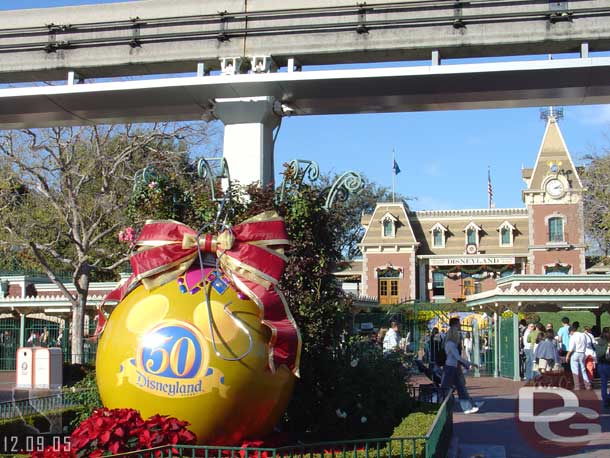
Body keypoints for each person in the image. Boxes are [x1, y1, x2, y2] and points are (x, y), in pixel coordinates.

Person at [440, 320, 482, 414]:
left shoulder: (450, 344)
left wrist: (467, 364)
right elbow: (457, 357)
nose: (459, 336)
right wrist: (469, 363)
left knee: (459, 387)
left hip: (452, 367)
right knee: (447, 388)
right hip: (450, 368)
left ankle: (468, 407)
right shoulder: (450, 344)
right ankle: (465, 406)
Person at [566, 321, 592, 390]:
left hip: (575, 353)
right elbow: (586, 344)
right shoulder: (583, 335)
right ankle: (587, 385)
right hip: (583, 353)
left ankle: (577, 386)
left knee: (575, 371)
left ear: (571, 331)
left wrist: (567, 356)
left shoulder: (573, 336)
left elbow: (571, 348)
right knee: (583, 370)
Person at [595, 328, 610, 408]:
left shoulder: (598, 341)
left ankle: (605, 401)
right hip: (608, 364)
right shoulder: (608, 343)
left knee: (603, 384)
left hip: (600, 365)